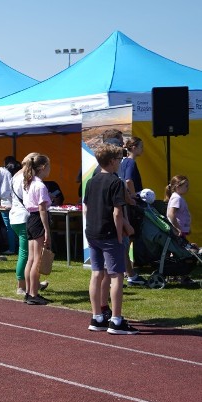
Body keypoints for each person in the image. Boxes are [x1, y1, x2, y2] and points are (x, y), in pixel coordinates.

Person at [85, 144, 138, 334]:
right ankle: (116, 320)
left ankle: (97, 316)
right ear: (111, 161)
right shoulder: (116, 182)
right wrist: (119, 234)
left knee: (97, 273)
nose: (120, 162)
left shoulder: (91, 182)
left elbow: (87, 207)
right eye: (118, 159)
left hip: (92, 232)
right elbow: (117, 212)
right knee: (116, 275)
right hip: (108, 233)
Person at [22, 154, 52, 305]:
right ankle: (33, 293)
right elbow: (42, 209)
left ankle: (28, 292)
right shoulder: (39, 185)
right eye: (49, 166)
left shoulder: (29, 182)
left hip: (30, 219)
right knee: (37, 260)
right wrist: (46, 229)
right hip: (37, 220)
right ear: (43, 168)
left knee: (31, 258)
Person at [119, 137, 146, 286]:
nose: (143, 149)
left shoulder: (123, 162)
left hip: (125, 203)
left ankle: (127, 271)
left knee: (126, 240)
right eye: (141, 146)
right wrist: (134, 196)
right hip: (130, 205)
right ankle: (130, 273)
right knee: (127, 240)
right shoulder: (130, 162)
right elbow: (128, 181)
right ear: (134, 147)